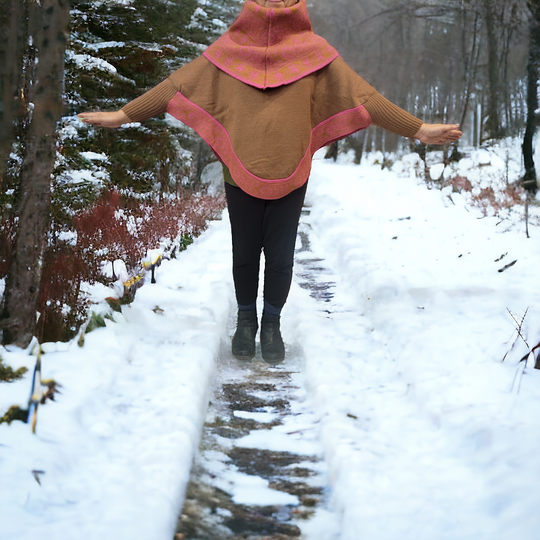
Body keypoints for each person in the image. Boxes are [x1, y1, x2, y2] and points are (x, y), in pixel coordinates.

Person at [78, 0, 462, 365]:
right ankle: (247, 323)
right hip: (239, 169)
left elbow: (365, 99)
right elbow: (175, 88)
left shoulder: (316, 55)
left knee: (279, 256)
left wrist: (418, 130)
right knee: (244, 252)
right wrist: (123, 115)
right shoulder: (228, 52)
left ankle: (272, 326)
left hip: (291, 170)